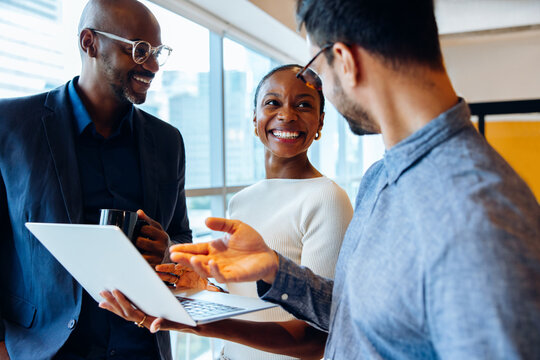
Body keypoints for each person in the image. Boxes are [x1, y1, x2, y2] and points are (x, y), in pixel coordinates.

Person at [160, 0, 540, 359]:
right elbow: (357, 315)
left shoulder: (477, 217)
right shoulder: (382, 176)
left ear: (344, 61)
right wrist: (275, 269)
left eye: (315, 73)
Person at [100, 64, 353, 360]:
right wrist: (197, 287)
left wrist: (199, 325)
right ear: (254, 118)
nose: (287, 115)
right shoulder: (241, 201)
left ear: (320, 122)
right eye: (273, 102)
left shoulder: (328, 197)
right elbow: (246, 303)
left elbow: (316, 340)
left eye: (304, 105)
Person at [0, 0, 191, 359]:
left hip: (143, 345)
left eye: (156, 53)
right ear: (89, 42)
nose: (151, 65)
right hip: (42, 348)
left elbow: (181, 233)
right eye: (139, 50)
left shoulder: (168, 141)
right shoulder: (10, 124)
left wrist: (167, 249)